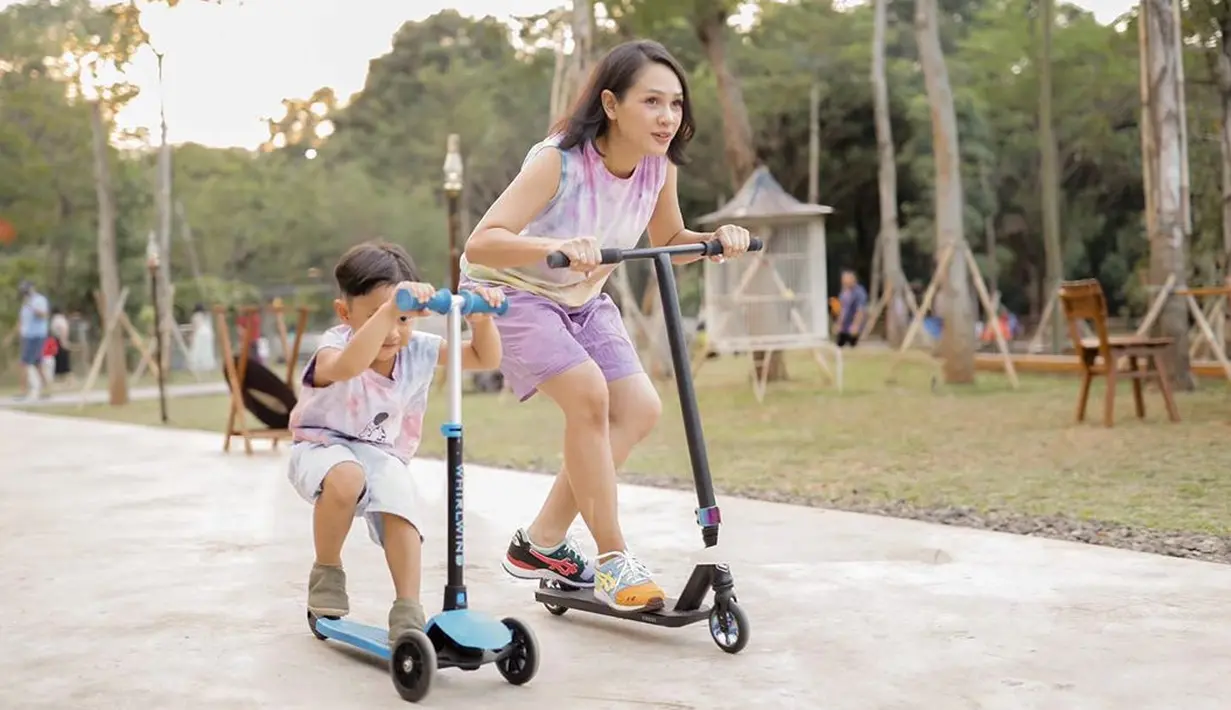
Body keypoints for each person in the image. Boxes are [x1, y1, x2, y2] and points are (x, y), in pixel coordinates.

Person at [460, 39, 753, 613]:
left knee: (639, 409)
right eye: (652, 102)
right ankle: (614, 558)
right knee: (589, 398)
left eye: (675, 104)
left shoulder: (658, 167)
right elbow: (482, 242)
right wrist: (556, 246)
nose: (668, 117)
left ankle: (540, 541)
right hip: (510, 291)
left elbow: (669, 242)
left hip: (582, 296)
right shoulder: (557, 161)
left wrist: (717, 243)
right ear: (612, 104)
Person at [285, 240, 505, 643]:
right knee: (347, 477)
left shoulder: (417, 348)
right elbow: (350, 365)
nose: (393, 331)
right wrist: (389, 311)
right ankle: (327, 571)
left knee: (402, 501)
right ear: (344, 313)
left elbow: (484, 359)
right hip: (319, 445)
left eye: (405, 319)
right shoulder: (334, 346)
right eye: (378, 318)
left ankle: (407, 606)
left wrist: (482, 318)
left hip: (380, 453)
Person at [16, 280, 50, 400]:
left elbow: (43, 315)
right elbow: (23, 319)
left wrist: (32, 307)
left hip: (37, 335)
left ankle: (23, 390)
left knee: (24, 362)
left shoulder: (39, 300)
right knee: (37, 362)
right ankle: (46, 387)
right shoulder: (25, 303)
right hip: (27, 335)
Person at [835, 269, 867, 348]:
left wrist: (856, 325)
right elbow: (842, 310)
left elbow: (860, 310)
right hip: (844, 327)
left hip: (854, 326)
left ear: (852, 279)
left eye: (846, 280)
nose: (843, 282)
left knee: (852, 347)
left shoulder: (859, 292)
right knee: (839, 347)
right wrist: (838, 324)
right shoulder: (844, 293)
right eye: (843, 280)